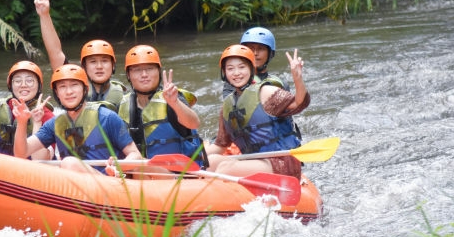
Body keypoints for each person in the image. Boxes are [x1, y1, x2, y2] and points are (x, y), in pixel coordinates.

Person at [12, 64, 141, 174]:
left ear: (84, 89)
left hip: (107, 182)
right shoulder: (55, 124)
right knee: (68, 164)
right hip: (73, 189)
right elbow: (21, 153)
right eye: (62, 87)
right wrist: (22, 122)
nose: (69, 92)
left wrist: (120, 166)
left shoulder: (107, 117)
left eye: (74, 85)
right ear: (57, 93)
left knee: (69, 163)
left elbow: (135, 155)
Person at [205, 44, 310, 178]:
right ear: (224, 73)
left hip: (280, 161)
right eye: (230, 69)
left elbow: (299, 103)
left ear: (251, 69)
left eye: (242, 67)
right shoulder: (227, 105)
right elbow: (220, 145)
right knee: (210, 162)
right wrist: (192, 157)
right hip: (253, 161)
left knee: (225, 168)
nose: (236, 73)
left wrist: (298, 79)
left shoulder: (265, 92)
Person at [34, 0, 126, 110]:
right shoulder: (72, 89)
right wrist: (45, 16)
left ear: (113, 65)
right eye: (93, 62)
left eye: (104, 61)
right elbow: (55, 52)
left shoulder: (123, 97)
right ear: (83, 67)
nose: (99, 67)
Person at [117, 45, 206, 166]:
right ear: (128, 75)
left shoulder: (172, 96)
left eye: (149, 68)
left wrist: (175, 103)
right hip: (142, 173)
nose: (144, 74)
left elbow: (194, 123)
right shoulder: (123, 104)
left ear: (158, 71)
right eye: (137, 70)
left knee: (137, 165)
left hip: (178, 174)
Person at [0, 60, 54, 160]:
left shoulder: (47, 115)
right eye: (17, 81)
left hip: (30, 167)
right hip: (2, 165)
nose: (23, 85)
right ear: (10, 85)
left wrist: (37, 122)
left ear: (39, 86)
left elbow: (45, 158)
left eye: (29, 80)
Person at [223, 26, 284, 98]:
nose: (255, 53)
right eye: (251, 48)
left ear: (270, 54)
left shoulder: (279, 83)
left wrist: (297, 78)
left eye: (261, 49)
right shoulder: (234, 81)